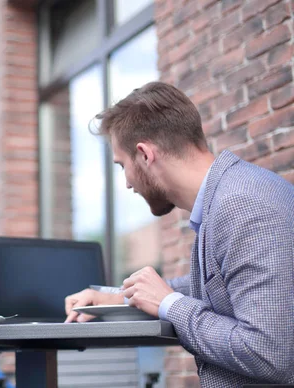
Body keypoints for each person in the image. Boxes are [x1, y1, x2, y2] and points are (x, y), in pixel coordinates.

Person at [64, 81, 294, 387]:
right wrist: (114, 299)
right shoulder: (227, 196)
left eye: (122, 166)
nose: (128, 184)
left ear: (145, 155)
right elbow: (221, 287)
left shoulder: (240, 206)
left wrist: (170, 304)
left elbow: (268, 354)